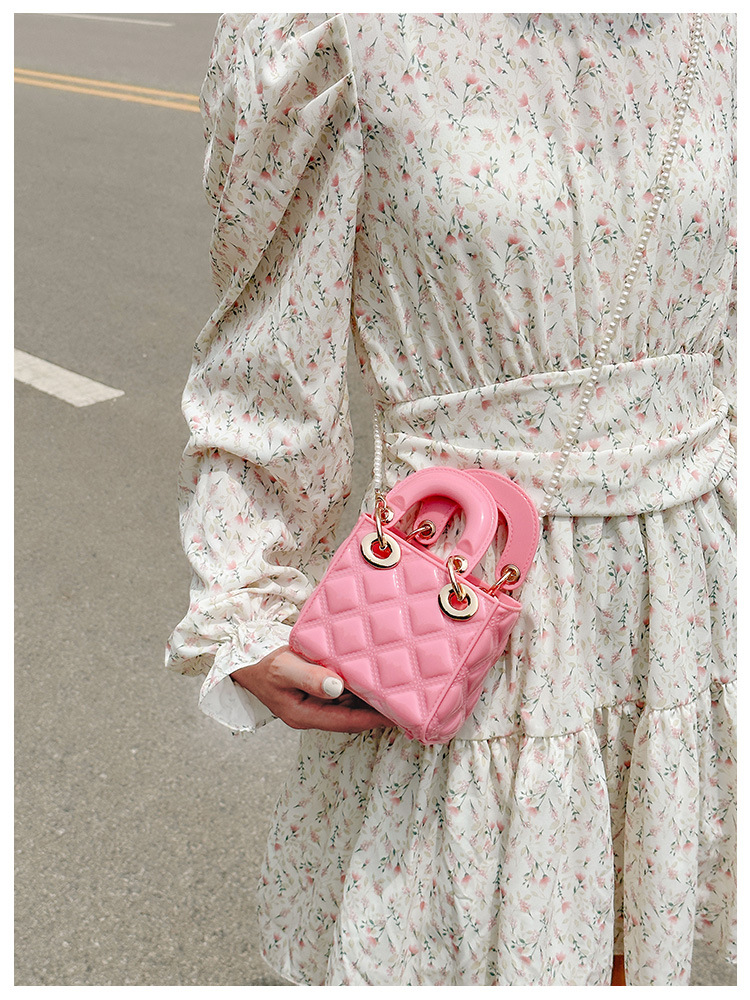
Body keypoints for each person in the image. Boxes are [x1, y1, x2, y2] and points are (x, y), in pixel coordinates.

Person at [166, 13, 736, 987]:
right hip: (463, 614)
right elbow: (269, 353)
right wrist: (246, 591)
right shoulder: (344, 33)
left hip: (682, 610)